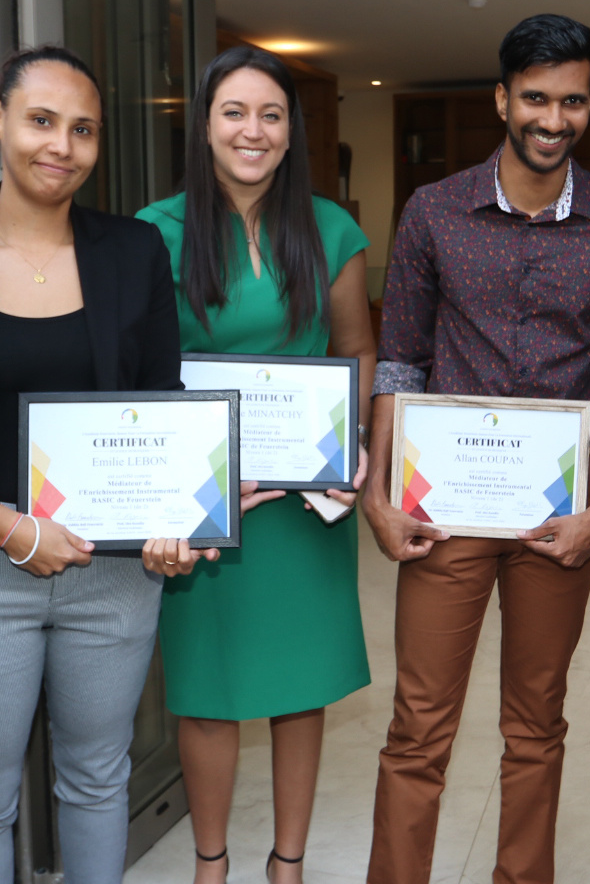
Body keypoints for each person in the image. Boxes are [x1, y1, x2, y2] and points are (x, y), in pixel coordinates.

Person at [0, 44, 245, 884]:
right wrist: (15, 531)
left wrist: (176, 524)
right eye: (41, 121)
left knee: (97, 781)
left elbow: (163, 405)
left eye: (82, 130)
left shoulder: (132, 252)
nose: (61, 146)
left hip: (115, 574)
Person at [362, 13, 590, 884]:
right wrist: (379, 495)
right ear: (503, 99)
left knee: (537, 726)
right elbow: (401, 361)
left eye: (572, 101)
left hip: (555, 520)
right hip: (442, 510)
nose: (553, 119)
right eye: (535, 98)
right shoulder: (433, 210)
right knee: (418, 725)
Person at [136, 46, 375, 884]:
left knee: (296, 684)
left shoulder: (330, 229)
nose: (253, 130)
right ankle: (210, 866)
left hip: (303, 506)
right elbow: (140, 370)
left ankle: (289, 865)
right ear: (203, 124)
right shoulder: (152, 232)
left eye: (271, 115)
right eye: (234, 111)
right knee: (207, 686)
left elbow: (355, 350)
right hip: (205, 502)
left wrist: (347, 449)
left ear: (291, 131)